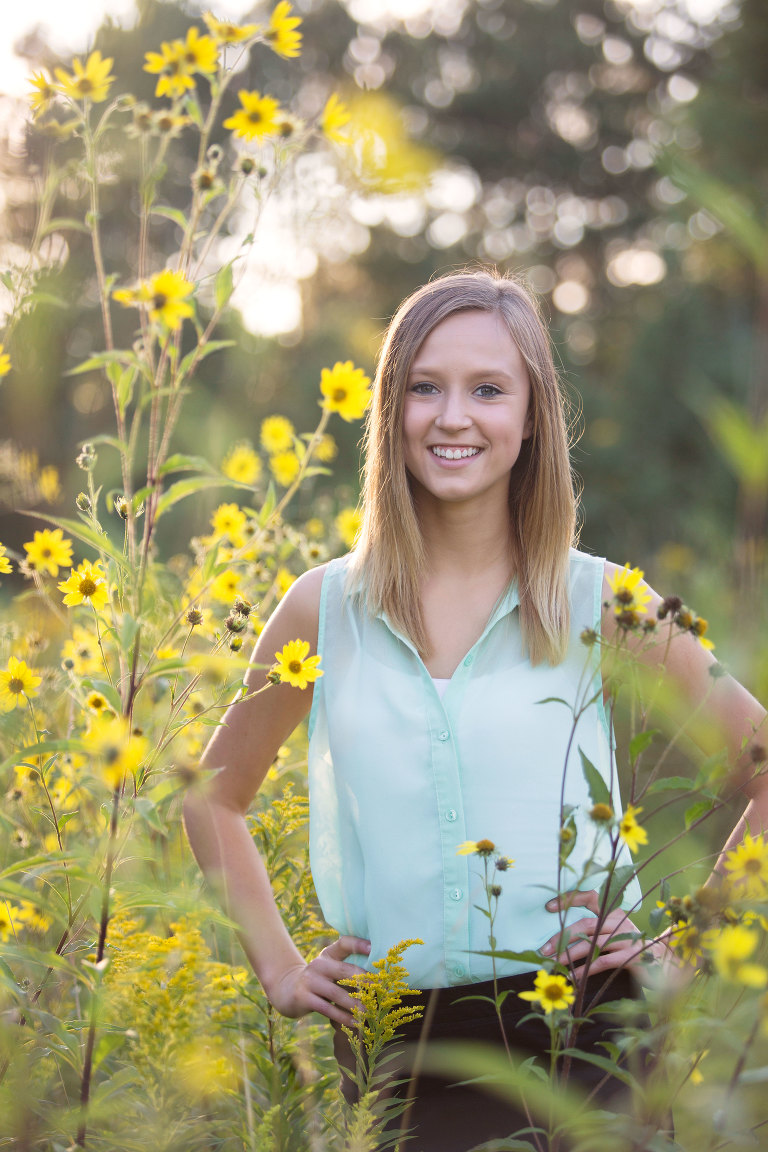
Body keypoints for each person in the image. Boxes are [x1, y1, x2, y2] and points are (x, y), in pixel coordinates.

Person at [183, 269, 768, 1150]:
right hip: (404, 1051)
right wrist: (279, 966)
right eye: (425, 387)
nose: (453, 417)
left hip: (589, 1041)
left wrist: (683, 952)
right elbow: (207, 794)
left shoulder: (604, 602)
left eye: (488, 389)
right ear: (391, 410)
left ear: (531, 418)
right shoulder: (323, 611)